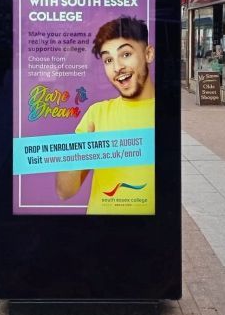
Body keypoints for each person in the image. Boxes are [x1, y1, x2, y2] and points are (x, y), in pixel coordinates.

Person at [55, 16, 155, 215]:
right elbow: (64, 191)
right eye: (108, 60)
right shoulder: (97, 114)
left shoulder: (165, 116)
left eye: (125, 54)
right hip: (100, 230)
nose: (117, 68)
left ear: (148, 54)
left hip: (150, 232)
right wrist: (81, 152)